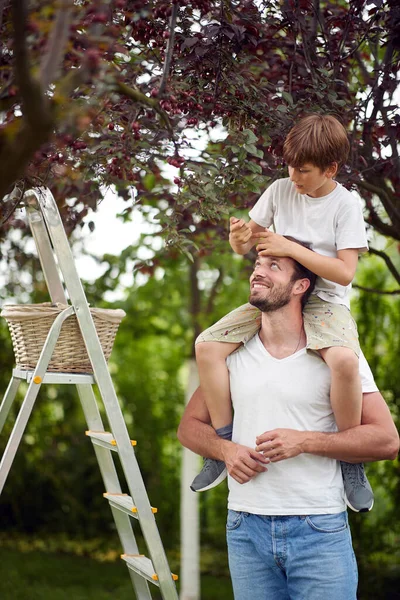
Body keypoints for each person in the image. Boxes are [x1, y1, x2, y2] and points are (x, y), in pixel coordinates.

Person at [177, 252, 399, 600]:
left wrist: (306, 441)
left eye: (273, 267)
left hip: (318, 529)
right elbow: (189, 427)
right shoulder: (230, 355)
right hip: (245, 527)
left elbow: (387, 440)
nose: (257, 273)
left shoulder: (338, 356)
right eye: (257, 266)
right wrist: (226, 449)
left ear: (301, 286)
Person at [192, 113, 377, 512]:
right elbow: (247, 245)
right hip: (281, 294)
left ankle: (350, 460)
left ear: (330, 168)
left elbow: (344, 273)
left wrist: (290, 249)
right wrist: (237, 237)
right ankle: (220, 444)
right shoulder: (279, 190)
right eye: (291, 167)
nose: (295, 177)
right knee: (206, 346)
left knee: (344, 360)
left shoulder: (345, 205)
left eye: (304, 171)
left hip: (325, 300)